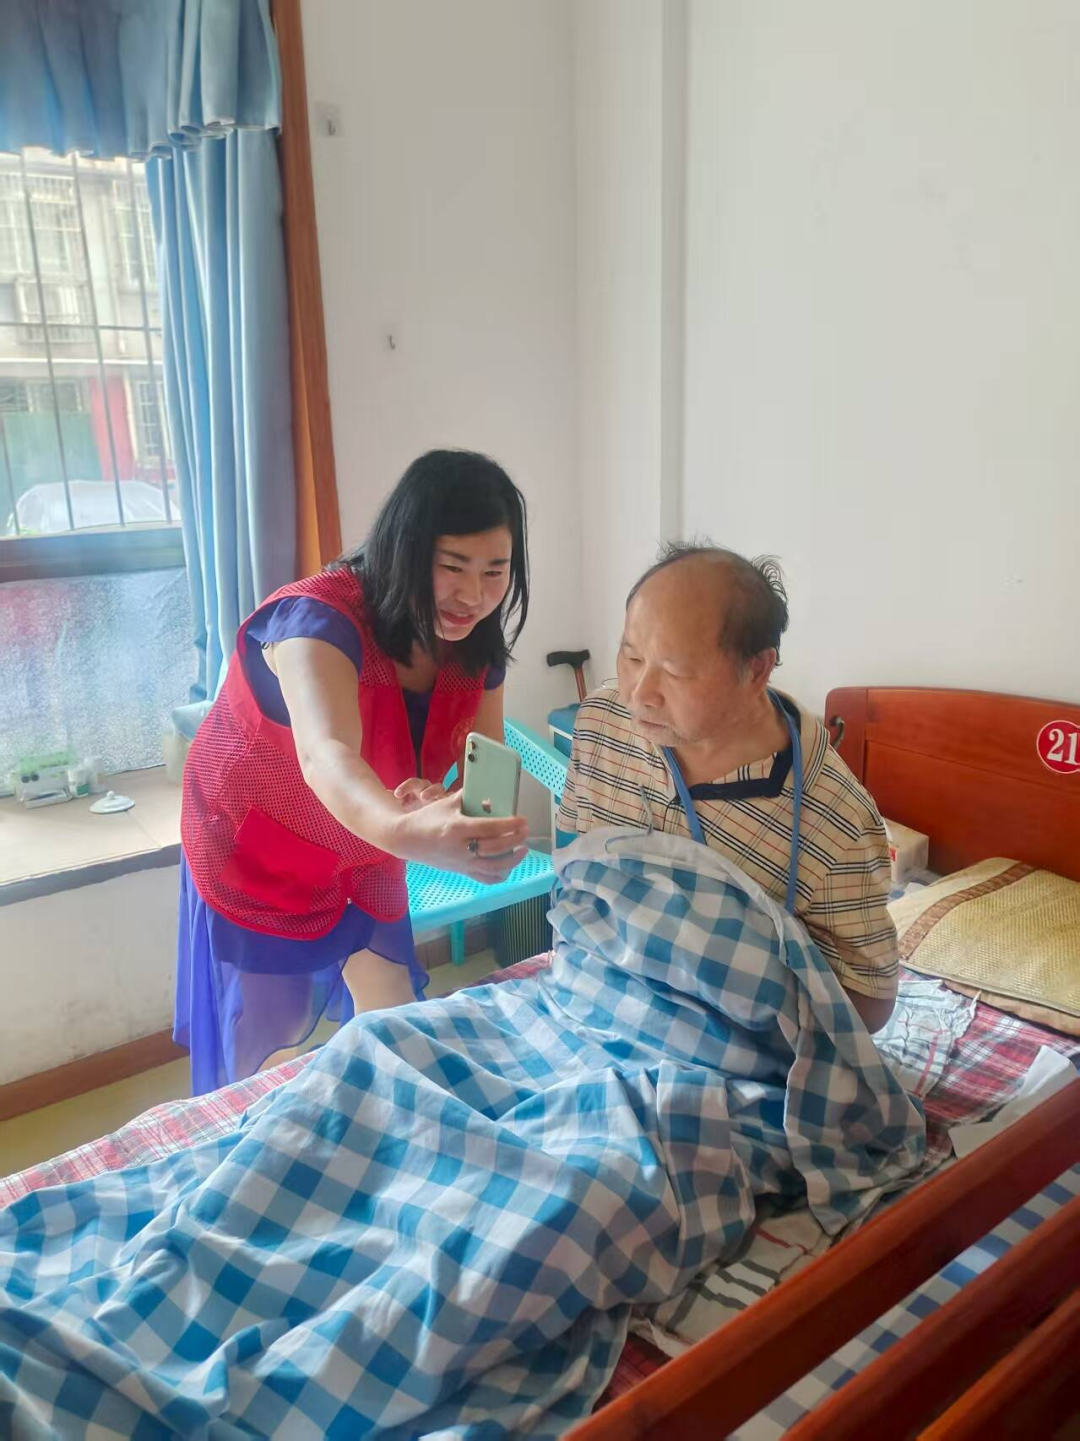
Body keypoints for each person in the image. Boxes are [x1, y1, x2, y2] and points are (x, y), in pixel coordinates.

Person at [176, 450, 530, 1091]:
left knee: (392, 1007)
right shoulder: (316, 623)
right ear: (405, 549)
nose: (473, 596)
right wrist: (407, 828)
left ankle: (394, 1113)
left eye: (495, 572)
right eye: (452, 567)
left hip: (367, 844)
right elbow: (327, 757)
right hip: (261, 844)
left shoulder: (476, 647)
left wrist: (481, 829)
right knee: (272, 1038)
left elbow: (486, 759)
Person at [556, 542, 898, 1032]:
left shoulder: (834, 821)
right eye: (631, 656)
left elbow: (869, 1001)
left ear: (756, 670)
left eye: (675, 671)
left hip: (725, 1046)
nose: (640, 693)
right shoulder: (603, 721)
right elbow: (575, 866)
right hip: (588, 1002)